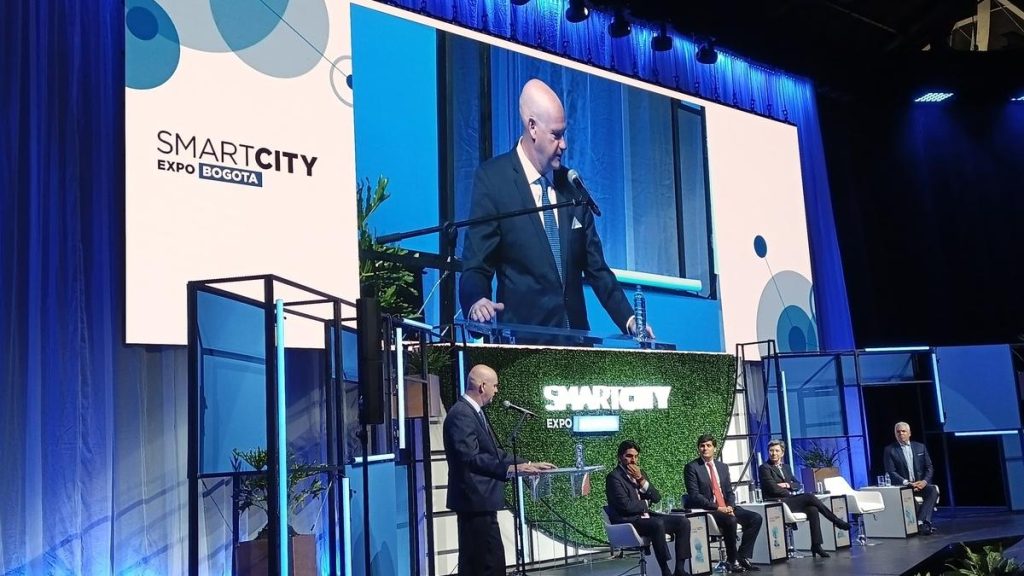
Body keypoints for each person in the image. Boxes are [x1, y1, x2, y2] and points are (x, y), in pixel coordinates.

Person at [459, 78, 653, 339]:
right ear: (532, 127)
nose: (564, 144)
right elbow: (476, 265)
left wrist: (629, 320)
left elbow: (597, 269)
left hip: (576, 347)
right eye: (556, 135)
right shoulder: (494, 180)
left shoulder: (572, 186)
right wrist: (476, 302)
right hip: (525, 347)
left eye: (564, 134)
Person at [442, 364, 555, 575]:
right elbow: (470, 458)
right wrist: (511, 469)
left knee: (489, 562)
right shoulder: (461, 414)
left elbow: (495, 453)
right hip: (474, 502)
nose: (496, 390)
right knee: (483, 564)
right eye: (495, 386)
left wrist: (528, 464)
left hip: (482, 503)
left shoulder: (475, 413)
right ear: (482, 386)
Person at [605, 440, 692, 576]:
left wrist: (640, 479)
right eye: (629, 456)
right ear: (620, 457)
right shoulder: (613, 477)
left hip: (646, 517)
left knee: (683, 522)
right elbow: (626, 506)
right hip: (627, 520)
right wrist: (645, 503)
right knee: (657, 524)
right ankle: (665, 570)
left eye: (636, 456)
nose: (633, 460)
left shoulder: (640, 473)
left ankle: (680, 569)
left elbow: (656, 497)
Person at [758, 439, 851, 557]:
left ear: (782, 453)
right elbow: (773, 489)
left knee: (813, 509)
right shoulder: (764, 468)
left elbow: (797, 484)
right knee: (809, 496)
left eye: (777, 451)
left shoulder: (786, 467)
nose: (773, 453)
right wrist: (788, 490)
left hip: (789, 500)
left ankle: (816, 545)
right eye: (771, 451)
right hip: (777, 502)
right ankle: (836, 521)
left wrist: (787, 485)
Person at [684, 434, 762, 573]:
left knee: (756, 518)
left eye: (708, 445)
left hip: (726, 507)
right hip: (708, 509)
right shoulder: (692, 467)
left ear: (714, 448)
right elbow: (695, 496)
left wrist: (730, 506)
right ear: (698, 448)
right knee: (730, 520)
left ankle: (742, 556)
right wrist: (719, 508)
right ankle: (732, 560)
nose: (705, 448)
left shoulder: (722, 467)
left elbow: (729, 492)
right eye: (702, 446)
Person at [884, 421, 939, 535]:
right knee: (909, 498)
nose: (901, 434)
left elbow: (929, 467)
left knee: (932, 490)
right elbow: (891, 471)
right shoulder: (890, 450)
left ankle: (920, 521)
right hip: (903, 486)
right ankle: (923, 524)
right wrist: (907, 482)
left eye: (903, 431)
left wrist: (924, 482)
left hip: (919, 484)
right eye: (898, 432)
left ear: (909, 433)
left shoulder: (920, 447)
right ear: (895, 434)